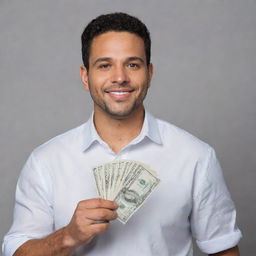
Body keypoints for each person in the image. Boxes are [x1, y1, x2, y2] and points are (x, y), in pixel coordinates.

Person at [2, 12, 242, 256]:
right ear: (86, 77)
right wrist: (68, 237)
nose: (120, 78)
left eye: (132, 65)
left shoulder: (196, 157)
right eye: (105, 65)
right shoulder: (45, 162)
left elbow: (223, 249)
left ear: (149, 73)